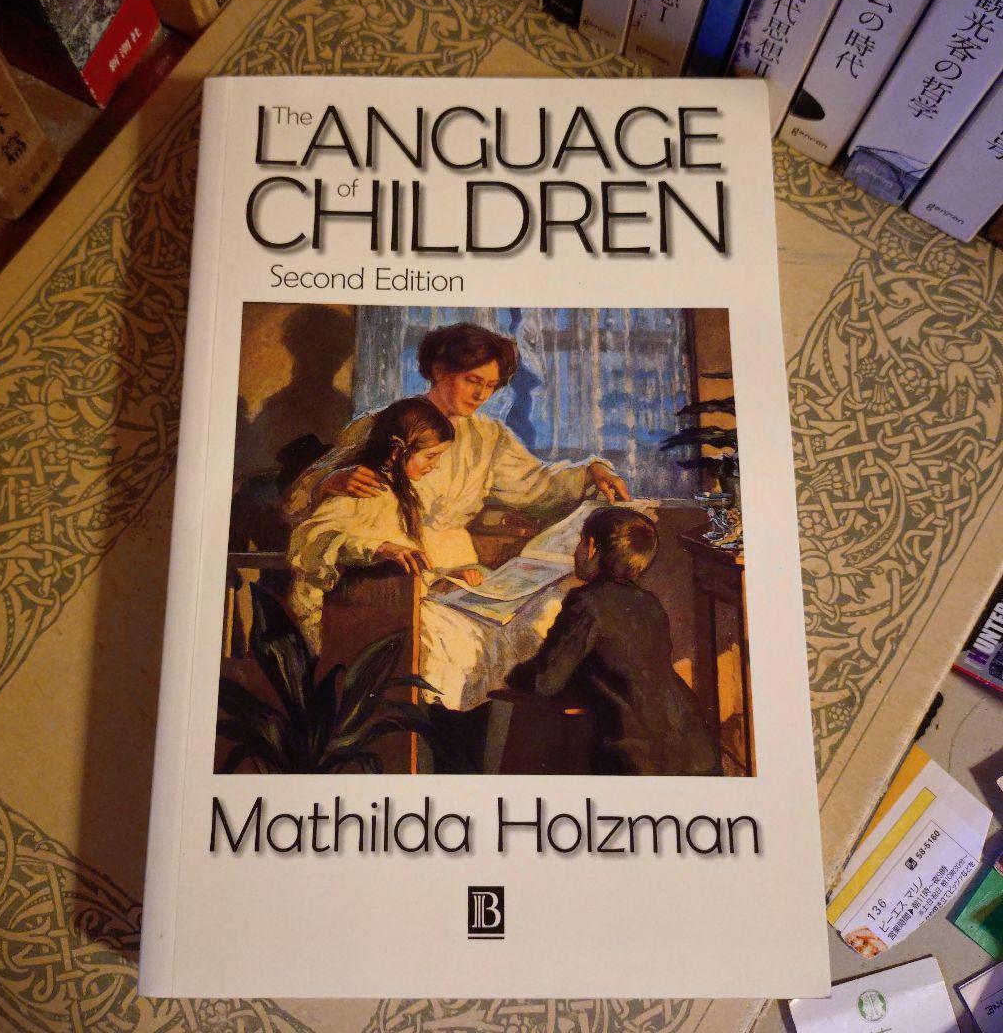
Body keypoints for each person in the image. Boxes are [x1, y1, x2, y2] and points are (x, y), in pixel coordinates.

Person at [283, 322, 630, 577]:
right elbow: (297, 506)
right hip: (388, 569)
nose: (481, 395)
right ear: (439, 370)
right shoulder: (382, 423)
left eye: (490, 386)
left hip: (458, 567)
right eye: (472, 381)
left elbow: (534, 484)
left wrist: (590, 471)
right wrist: (329, 481)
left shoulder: (489, 436)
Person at [506, 507, 721, 776]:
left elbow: (544, 682)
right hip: (695, 750)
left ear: (592, 547)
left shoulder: (588, 602)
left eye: (580, 542)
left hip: (639, 760)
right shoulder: (650, 604)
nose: (576, 552)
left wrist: (511, 674)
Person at [284, 397, 472, 654]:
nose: (436, 465)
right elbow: (313, 538)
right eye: (431, 456)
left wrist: (444, 579)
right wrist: (379, 548)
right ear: (397, 452)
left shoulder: (397, 493)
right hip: (335, 622)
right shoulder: (363, 489)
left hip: (383, 609)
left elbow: (404, 567)